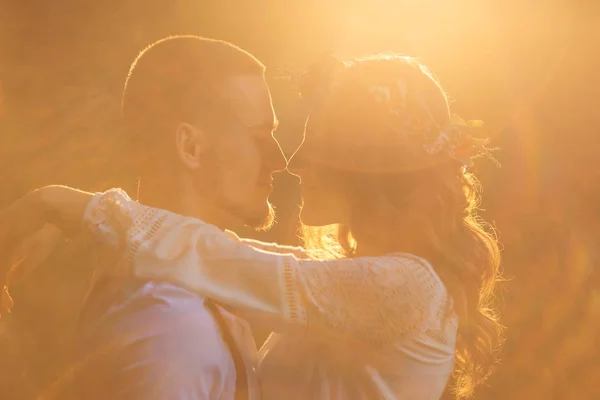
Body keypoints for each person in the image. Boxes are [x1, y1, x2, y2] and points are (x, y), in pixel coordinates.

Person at [1, 54, 503, 399]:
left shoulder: (405, 289)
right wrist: (84, 223)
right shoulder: (375, 281)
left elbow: (222, 261)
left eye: (321, 153)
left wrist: (61, 204)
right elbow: (229, 254)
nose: (294, 166)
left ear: (365, 177)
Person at [1, 35, 288, 400]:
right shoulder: (170, 330)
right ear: (190, 148)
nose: (280, 160)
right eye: (259, 135)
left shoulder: (186, 296)